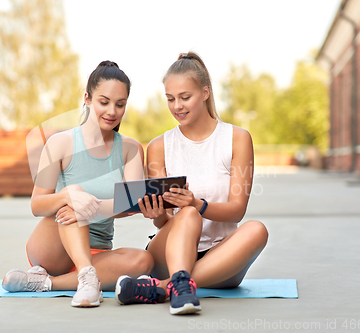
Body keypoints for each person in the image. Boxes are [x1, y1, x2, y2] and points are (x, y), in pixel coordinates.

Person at [115, 52, 269, 315]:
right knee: (187, 215)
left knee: (257, 229)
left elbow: (237, 210)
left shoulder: (237, 139)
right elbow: (164, 222)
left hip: (220, 256)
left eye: (185, 97)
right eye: (170, 99)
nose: (177, 106)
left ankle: (164, 288)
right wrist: (158, 214)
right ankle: (177, 284)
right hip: (169, 250)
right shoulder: (158, 147)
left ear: (206, 92)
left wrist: (198, 204)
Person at [2, 61, 156, 308]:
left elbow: (131, 204)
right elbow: (37, 205)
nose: (112, 111)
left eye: (120, 104)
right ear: (87, 98)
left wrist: (95, 207)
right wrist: (69, 195)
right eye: (103, 102)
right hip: (54, 249)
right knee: (74, 197)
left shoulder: (131, 149)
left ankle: (48, 283)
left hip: (99, 252)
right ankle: (85, 277)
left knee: (144, 260)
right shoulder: (60, 143)